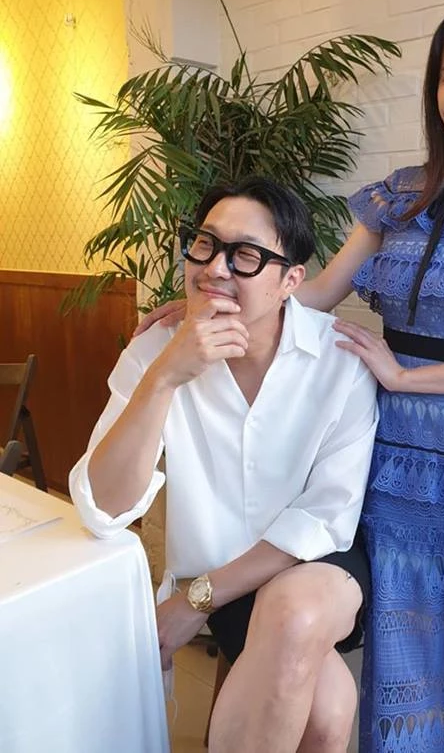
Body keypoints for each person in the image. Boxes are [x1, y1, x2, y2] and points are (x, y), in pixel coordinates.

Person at [139, 0, 444, 753]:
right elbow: (315, 292)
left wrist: (405, 378)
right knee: (410, 655)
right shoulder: (400, 195)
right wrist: (214, 291)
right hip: (397, 467)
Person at [69, 176, 379, 753]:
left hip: (318, 561)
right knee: (328, 710)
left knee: (293, 611)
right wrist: (164, 378)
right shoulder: (156, 349)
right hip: (226, 564)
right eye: (206, 244)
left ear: (291, 281)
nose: (215, 268)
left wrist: (195, 600)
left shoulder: (339, 360)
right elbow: (103, 508)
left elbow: (327, 514)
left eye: (246, 256)